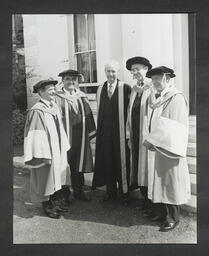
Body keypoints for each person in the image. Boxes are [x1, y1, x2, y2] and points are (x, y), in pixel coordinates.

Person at [143, 66, 191, 232]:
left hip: (169, 147)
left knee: (171, 181)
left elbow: (172, 126)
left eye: (159, 78)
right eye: (153, 79)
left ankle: (172, 218)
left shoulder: (175, 98)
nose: (155, 82)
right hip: (159, 144)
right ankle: (161, 213)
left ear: (168, 79)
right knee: (159, 180)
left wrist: (152, 140)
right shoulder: (157, 97)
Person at [24, 79, 70, 219]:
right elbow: (35, 135)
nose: (53, 92)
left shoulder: (53, 107)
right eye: (50, 90)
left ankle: (55, 203)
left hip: (57, 148)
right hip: (46, 151)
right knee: (45, 178)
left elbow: (60, 128)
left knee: (56, 176)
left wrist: (63, 145)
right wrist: (43, 154)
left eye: (53, 89)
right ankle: (47, 207)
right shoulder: (37, 111)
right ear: (41, 92)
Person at [92, 60, 131, 205]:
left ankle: (125, 194)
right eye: (108, 71)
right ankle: (111, 193)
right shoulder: (100, 88)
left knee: (122, 163)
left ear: (118, 72)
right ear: (105, 72)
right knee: (108, 162)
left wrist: (128, 133)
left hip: (120, 133)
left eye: (113, 71)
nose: (111, 74)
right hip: (105, 134)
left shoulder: (126, 88)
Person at [55, 69, 96, 202]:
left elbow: (89, 116)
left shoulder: (81, 96)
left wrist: (92, 132)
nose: (71, 81)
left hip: (80, 137)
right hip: (65, 138)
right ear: (63, 81)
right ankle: (64, 194)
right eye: (67, 79)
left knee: (79, 164)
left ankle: (79, 191)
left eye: (73, 79)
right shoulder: (57, 97)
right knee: (64, 165)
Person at [125, 56, 153, 213]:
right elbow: (130, 113)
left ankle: (152, 203)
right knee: (139, 168)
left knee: (148, 168)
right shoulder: (134, 90)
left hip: (148, 137)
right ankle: (145, 201)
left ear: (146, 70)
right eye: (132, 70)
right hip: (136, 136)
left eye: (138, 69)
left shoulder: (152, 88)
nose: (135, 72)